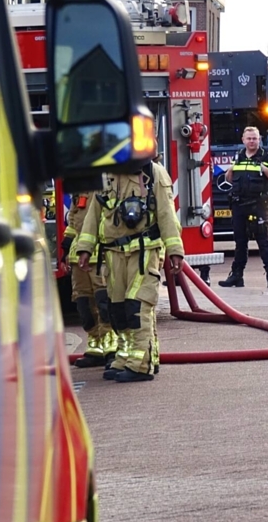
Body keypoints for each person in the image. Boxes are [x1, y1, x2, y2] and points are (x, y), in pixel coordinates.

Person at [75, 160, 185, 382]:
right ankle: (124, 358)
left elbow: (166, 214)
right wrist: (85, 248)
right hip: (113, 254)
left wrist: (175, 250)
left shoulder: (153, 174)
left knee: (137, 306)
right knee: (117, 309)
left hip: (143, 252)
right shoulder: (106, 174)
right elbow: (93, 214)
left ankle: (141, 365)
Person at [218, 126, 268, 289]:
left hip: (258, 205)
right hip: (239, 204)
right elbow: (229, 178)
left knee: (263, 241)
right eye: (249, 138)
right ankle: (237, 276)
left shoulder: (267, 157)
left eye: (254, 138)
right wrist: (230, 171)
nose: (251, 141)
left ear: (259, 139)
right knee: (240, 242)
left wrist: (264, 169)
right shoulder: (238, 156)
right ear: (243, 140)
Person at [66, 192, 117, 368]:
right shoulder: (79, 191)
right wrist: (67, 243)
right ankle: (95, 345)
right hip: (78, 257)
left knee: (103, 303)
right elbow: (74, 222)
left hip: (101, 256)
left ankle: (111, 346)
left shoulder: (106, 188)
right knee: (84, 304)